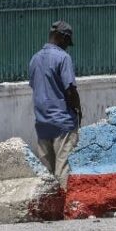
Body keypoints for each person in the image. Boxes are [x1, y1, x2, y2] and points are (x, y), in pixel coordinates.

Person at [28, 21, 81, 186]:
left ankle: (49, 210)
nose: (67, 46)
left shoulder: (35, 59)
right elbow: (70, 89)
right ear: (61, 37)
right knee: (63, 170)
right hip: (62, 123)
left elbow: (34, 86)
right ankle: (65, 209)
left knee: (46, 175)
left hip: (42, 123)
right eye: (67, 41)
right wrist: (78, 110)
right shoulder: (63, 58)